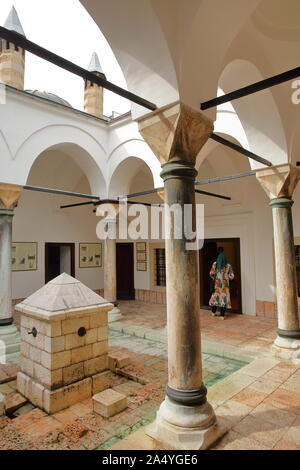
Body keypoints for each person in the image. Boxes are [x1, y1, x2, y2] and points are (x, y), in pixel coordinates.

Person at [209, 247, 234, 319]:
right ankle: (222, 316)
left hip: (217, 285)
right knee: (224, 298)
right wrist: (226, 276)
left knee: (216, 297)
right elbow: (232, 276)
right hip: (225, 286)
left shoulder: (215, 264)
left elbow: (211, 273)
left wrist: (215, 277)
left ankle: (213, 312)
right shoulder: (228, 265)